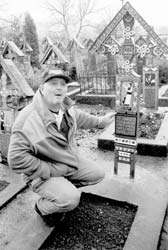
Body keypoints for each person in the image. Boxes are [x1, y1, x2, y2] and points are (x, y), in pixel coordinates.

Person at [7, 69, 115, 227]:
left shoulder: (66, 107)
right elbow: (16, 159)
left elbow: (82, 118)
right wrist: (49, 170)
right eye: (53, 83)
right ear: (42, 88)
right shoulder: (27, 120)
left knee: (97, 174)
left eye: (63, 84)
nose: (59, 88)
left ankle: (61, 190)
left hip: (65, 163)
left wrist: (101, 121)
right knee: (70, 199)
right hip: (40, 173)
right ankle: (42, 207)